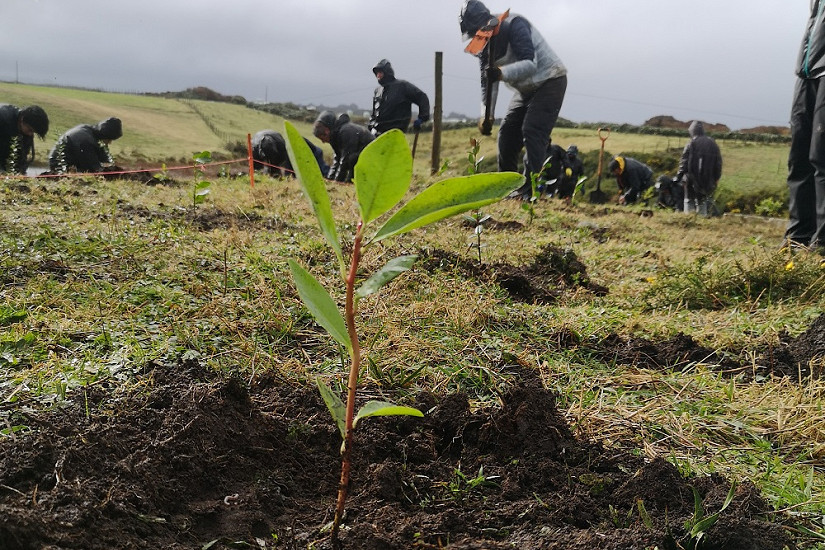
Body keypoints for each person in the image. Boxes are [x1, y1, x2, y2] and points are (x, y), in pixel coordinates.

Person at [459, 0, 567, 198]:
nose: (477, 37)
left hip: (550, 80)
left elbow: (531, 64)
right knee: (507, 134)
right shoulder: (484, 46)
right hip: (525, 89)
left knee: (532, 130)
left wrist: (500, 73)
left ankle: (530, 191)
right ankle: (507, 188)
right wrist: (487, 116)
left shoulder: (515, 25)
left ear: (486, 23)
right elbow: (488, 83)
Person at [785, 1, 825, 253]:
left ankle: (822, 244)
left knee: (821, 157)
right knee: (798, 157)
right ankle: (797, 239)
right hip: (807, 69)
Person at [368, 59, 430, 136]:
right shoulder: (378, 91)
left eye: (380, 72)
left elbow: (422, 97)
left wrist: (422, 118)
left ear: (387, 72)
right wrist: (371, 125)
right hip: (378, 133)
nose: (378, 75)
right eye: (376, 73)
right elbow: (375, 112)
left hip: (396, 132)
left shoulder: (402, 86)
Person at [674, 120, 722, 215]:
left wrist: (678, 177)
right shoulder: (713, 143)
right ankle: (701, 221)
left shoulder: (691, 143)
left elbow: (684, 163)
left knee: (689, 200)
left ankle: (689, 218)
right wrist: (716, 178)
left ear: (692, 131)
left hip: (691, 179)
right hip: (707, 179)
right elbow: (718, 163)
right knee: (702, 201)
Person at [312, 110, 374, 183]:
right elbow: (337, 160)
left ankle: (351, 182)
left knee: (351, 159)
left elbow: (345, 160)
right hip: (359, 157)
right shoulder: (335, 135)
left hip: (370, 157)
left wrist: (337, 181)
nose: (323, 142)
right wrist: (330, 180)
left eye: (322, 138)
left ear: (326, 131)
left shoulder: (346, 131)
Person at [48, 117, 122, 173]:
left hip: (71, 162)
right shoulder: (86, 141)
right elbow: (93, 167)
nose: (110, 142)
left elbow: (103, 159)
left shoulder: (90, 133)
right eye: (109, 139)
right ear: (105, 135)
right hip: (60, 166)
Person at [251, 129, 329, 178]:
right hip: (306, 153)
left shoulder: (287, 147)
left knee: (322, 173)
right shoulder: (256, 147)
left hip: (314, 154)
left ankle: (331, 178)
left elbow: (288, 168)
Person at [0, 104, 49, 175]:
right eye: (30, 130)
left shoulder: (26, 134)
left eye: (33, 132)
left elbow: (21, 160)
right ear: (22, 119)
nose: (30, 134)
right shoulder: (2, 118)